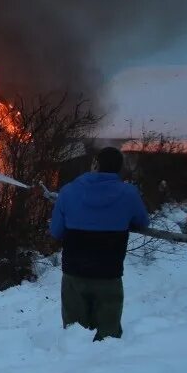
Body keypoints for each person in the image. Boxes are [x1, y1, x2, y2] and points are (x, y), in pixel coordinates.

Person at [49, 146, 150, 341]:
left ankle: (75, 369)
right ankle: (106, 370)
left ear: (95, 164)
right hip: (109, 275)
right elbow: (142, 222)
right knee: (109, 338)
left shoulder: (68, 192)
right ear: (118, 169)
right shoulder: (129, 194)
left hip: (74, 274)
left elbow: (56, 232)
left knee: (74, 338)